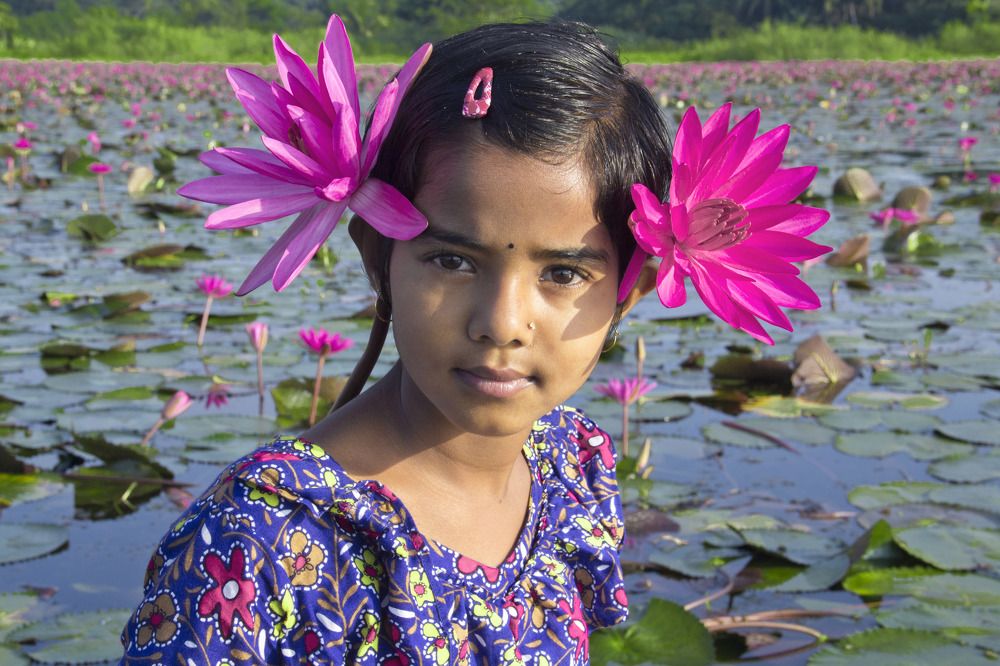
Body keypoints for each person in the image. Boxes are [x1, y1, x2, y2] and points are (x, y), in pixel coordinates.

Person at [119, 13, 828, 665]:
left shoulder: (574, 467)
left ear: (630, 292)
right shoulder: (255, 539)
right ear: (378, 255)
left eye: (562, 272)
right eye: (453, 261)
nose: (502, 322)